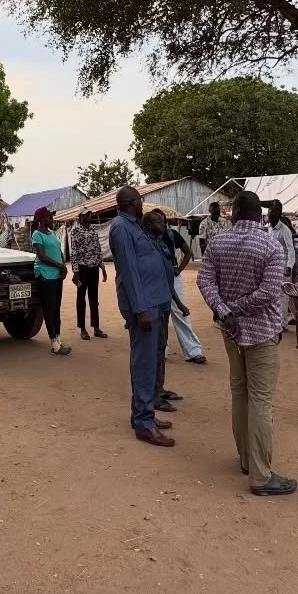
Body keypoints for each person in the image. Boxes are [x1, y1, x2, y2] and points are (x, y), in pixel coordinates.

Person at [197, 190, 297, 496]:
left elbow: (205, 281)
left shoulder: (217, 242)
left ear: (235, 212)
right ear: (260, 215)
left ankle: (246, 459)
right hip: (262, 333)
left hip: (231, 333)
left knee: (240, 393)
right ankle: (261, 476)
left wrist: (226, 312)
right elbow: (268, 293)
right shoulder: (271, 245)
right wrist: (238, 309)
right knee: (261, 401)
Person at [110, 187, 178, 447]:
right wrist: (140, 310)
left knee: (151, 360)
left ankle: (144, 412)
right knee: (144, 363)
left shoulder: (135, 225)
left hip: (155, 302)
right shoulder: (121, 228)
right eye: (139, 200)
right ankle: (143, 421)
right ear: (129, 202)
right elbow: (129, 272)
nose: (142, 204)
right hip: (144, 306)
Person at [143, 211, 186, 412]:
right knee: (153, 352)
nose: (163, 222)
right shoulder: (147, 247)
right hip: (154, 306)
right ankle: (152, 395)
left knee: (161, 348)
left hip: (165, 305)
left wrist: (178, 303)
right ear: (148, 225)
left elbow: (167, 278)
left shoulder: (161, 244)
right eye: (158, 221)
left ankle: (159, 388)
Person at [161, 215, 206, 364]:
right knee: (160, 315)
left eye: (162, 221)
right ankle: (160, 351)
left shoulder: (172, 234)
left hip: (173, 277)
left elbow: (189, 253)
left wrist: (178, 269)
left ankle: (193, 350)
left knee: (181, 313)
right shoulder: (147, 238)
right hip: (156, 277)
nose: (159, 224)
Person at [31, 208, 71, 356]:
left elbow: (59, 251)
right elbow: (42, 257)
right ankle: (54, 342)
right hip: (45, 275)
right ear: (41, 219)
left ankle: (58, 339)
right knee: (49, 309)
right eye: (49, 217)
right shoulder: (37, 234)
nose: (51, 219)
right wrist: (60, 266)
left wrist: (63, 266)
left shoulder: (52, 233)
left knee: (56, 308)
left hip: (56, 275)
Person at [68, 211, 109, 340]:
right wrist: (75, 272)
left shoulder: (93, 230)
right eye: (85, 215)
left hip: (94, 268)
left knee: (94, 298)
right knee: (81, 299)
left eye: (89, 215)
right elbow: (73, 252)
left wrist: (102, 268)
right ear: (79, 217)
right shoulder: (75, 231)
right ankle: (83, 329)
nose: (87, 217)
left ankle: (96, 328)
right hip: (82, 269)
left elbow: (98, 249)